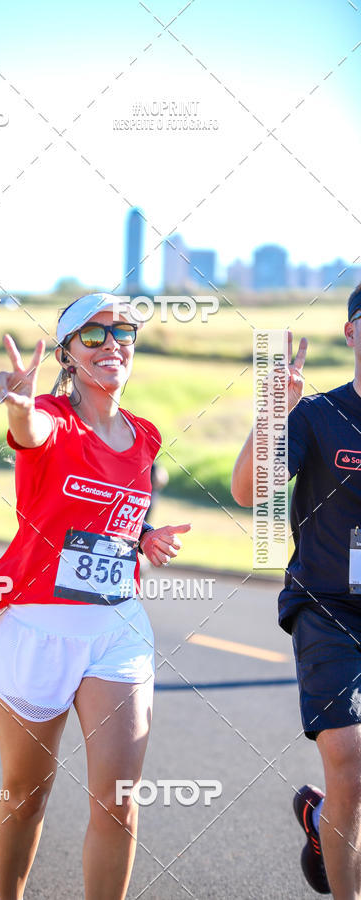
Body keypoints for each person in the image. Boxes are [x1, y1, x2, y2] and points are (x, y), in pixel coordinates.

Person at [0, 293, 191, 900]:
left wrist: (145, 534)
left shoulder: (144, 436)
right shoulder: (50, 416)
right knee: (26, 793)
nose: (110, 345)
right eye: (92, 336)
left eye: (122, 332)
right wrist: (18, 408)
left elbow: (111, 511)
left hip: (116, 629)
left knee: (118, 801)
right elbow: (31, 431)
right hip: (37, 627)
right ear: (68, 354)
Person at [231, 286, 361, 898]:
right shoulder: (316, 416)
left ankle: (322, 822)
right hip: (328, 608)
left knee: (352, 788)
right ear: (351, 333)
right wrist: (274, 412)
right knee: (350, 757)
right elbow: (248, 490)